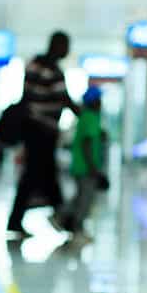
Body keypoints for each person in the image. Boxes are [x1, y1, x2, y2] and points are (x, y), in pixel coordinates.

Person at [7, 31, 77, 235]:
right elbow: (65, 99)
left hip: (38, 130)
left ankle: (58, 216)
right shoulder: (49, 70)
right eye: (65, 45)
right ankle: (62, 218)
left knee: (40, 174)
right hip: (40, 131)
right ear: (56, 45)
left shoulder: (36, 66)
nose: (67, 50)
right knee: (39, 174)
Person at [54, 86, 105, 238]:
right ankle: (76, 226)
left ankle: (65, 219)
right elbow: (87, 143)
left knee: (80, 196)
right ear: (94, 102)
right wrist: (92, 166)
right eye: (99, 99)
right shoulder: (91, 117)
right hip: (85, 166)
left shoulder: (86, 116)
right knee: (85, 199)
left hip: (80, 165)